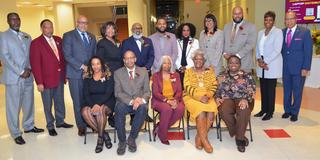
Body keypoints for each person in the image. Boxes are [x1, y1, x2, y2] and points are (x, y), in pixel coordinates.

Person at [0, 12, 44, 145]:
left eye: (17, 19)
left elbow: (31, 55)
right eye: (13, 19)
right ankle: (15, 133)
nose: (16, 21)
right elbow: (5, 57)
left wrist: (29, 69)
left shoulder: (27, 36)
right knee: (13, 107)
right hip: (14, 78)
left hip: (28, 76)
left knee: (29, 103)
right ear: (8, 21)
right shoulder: (3, 36)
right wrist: (20, 71)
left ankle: (29, 126)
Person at [30, 19, 73, 136]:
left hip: (59, 77)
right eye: (46, 27)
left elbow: (63, 59)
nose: (49, 29)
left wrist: (65, 75)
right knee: (47, 104)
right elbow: (35, 64)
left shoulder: (59, 40)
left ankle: (60, 121)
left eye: (50, 27)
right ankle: (50, 125)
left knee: (60, 101)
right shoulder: (36, 43)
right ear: (42, 29)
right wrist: (39, 82)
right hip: (45, 80)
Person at [62, 15, 97, 136]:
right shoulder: (68, 36)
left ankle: (90, 122)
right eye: (81, 23)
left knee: (88, 99)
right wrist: (83, 66)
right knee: (78, 101)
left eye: (86, 23)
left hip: (90, 75)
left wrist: (92, 69)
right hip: (75, 74)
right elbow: (67, 55)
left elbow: (94, 54)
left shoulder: (92, 36)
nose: (84, 25)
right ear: (77, 23)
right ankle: (81, 126)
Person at [215, 55, 256, 153]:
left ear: (240, 64)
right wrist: (217, 98)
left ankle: (240, 140)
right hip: (227, 99)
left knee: (243, 110)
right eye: (231, 62)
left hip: (243, 99)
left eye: (236, 62)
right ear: (228, 64)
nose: (233, 64)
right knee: (224, 111)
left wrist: (246, 99)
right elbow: (216, 90)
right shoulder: (221, 75)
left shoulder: (247, 75)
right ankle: (239, 133)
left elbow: (252, 90)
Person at [114, 50, 150, 155]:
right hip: (125, 102)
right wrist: (132, 101)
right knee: (119, 109)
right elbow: (118, 93)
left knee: (143, 108)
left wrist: (140, 100)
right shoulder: (118, 73)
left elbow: (147, 91)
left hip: (139, 102)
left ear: (135, 59)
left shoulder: (143, 71)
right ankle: (122, 141)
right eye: (127, 58)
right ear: (124, 60)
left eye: (131, 58)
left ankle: (132, 138)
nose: (129, 60)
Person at [183, 49, 218, 153]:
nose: (198, 61)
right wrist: (199, 97)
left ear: (204, 60)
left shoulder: (209, 70)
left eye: (201, 59)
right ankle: (205, 141)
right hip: (191, 96)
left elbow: (214, 84)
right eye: (196, 59)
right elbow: (187, 86)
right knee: (201, 113)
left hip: (207, 96)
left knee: (211, 113)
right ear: (193, 60)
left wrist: (208, 95)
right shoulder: (188, 71)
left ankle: (199, 137)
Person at [281, 11, 313, 122]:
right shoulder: (282, 32)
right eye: (286, 19)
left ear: (296, 19)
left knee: (297, 91)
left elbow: (308, 52)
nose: (288, 21)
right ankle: (287, 110)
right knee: (287, 91)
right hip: (285, 68)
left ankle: (294, 112)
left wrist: (306, 68)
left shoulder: (304, 32)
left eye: (291, 19)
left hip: (299, 69)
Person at [120, 22, 155, 123]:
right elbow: (124, 57)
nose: (138, 29)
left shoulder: (148, 41)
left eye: (139, 28)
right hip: (132, 71)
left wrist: (147, 67)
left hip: (145, 71)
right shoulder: (126, 42)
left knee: (145, 92)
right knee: (132, 93)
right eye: (135, 28)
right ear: (132, 30)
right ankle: (133, 115)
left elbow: (152, 56)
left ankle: (145, 114)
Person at [254, 11, 283, 121]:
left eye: (270, 20)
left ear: (274, 21)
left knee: (270, 89)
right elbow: (257, 48)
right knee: (263, 89)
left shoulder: (278, 32)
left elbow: (277, 50)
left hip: (271, 65)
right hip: (261, 64)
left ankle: (270, 112)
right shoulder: (260, 32)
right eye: (266, 20)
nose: (268, 22)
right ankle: (263, 109)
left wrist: (265, 62)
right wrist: (259, 60)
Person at [82, 56, 114, 153]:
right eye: (93, 64)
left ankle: (100, 140)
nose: (96, 66)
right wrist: (93, 105)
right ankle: (104, 135)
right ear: (90, 66)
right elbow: (86, 94)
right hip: (91, 102)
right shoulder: (87, 77)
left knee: (100, 110)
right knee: (84, 111)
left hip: (107, 102)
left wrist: (98, 104)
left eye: (98, 63)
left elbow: (109, 93)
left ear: (101, 64)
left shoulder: (108, 75)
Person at [152, 56, 185, 145]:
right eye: (164, 63)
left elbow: (179, 91)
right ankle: (162, 136)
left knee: (180, 109)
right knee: (167, 109)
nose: (167, 65)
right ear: (161, 64)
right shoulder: (156, 76)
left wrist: (175, 100)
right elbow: (155, 92)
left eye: (169, 63)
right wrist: (167, 100)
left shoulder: (176, 75)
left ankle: (160, 127)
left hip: (174, 99)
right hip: (160, 100)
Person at [96, 21, 122, 127]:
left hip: (119, 73)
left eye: (113, 28)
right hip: (109, 74)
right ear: (104, 30)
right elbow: (100, 60)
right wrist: (103, 74)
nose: (111, 31)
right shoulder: (102, 43)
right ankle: (111, 117)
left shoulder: (117, 41)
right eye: (108, 28)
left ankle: (116, 115)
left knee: (118, 95)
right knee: (111, 96)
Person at [223, 6, 257, 73]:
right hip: (229, 65)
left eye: (239, 13)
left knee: (243, 83)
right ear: (232, 14)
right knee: (230, 83)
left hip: (244, 64)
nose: (237, 16)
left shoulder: (251, 26)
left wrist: (237, 56)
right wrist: (224, 53)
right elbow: (223, 42)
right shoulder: (226, 26)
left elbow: (250, 44)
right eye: (235, 14)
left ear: (243, 14)